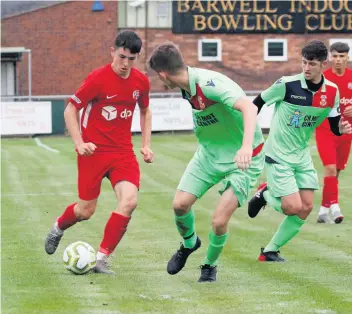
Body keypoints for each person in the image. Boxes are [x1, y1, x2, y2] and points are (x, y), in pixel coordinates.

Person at [148, 43, 265, 282]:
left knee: (219, 221)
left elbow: (249, 108)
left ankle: (209, 266)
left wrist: (245, 147)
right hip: (209, 155)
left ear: (163, 74)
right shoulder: (185, 86)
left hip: (243, 159)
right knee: (180, 205)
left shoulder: (209, 85)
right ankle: (190, 243)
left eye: (157, 77)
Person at [44, 31, 154, 275]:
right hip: (92, 153)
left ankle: (102, 257)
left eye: (132, 59)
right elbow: (71, 109)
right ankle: (58, 227)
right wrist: (79, 143)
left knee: (129, 201)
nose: (126, 64)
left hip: (123, 153)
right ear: (112, 52)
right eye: (122, 57)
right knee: (85, 211)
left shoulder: (140, 81)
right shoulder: (97, 78)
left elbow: (145, 111)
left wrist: (146, 144)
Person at [247, 40, 352, 262]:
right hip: (278, 154)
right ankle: (264, 194)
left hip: (301, 155)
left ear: (323, 64)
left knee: (305, 208)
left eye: (312, 64)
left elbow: (334, 125)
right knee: (292, 207)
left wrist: (341, 129)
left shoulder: (332, 92)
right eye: (304, 62)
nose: (306, 68)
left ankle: (269, 251)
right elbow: (255, 104)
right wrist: (247, 137)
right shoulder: (286, 85)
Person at [316, 42, 352, 224]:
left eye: (341, 56)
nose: (338, 60)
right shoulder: (323, 78)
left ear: (347, 58)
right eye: (335, 56)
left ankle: (323, 209)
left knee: (336, 171)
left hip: (347, 131)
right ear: (330, 57)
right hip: (326, 130)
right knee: (329, 167)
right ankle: (335, 208)